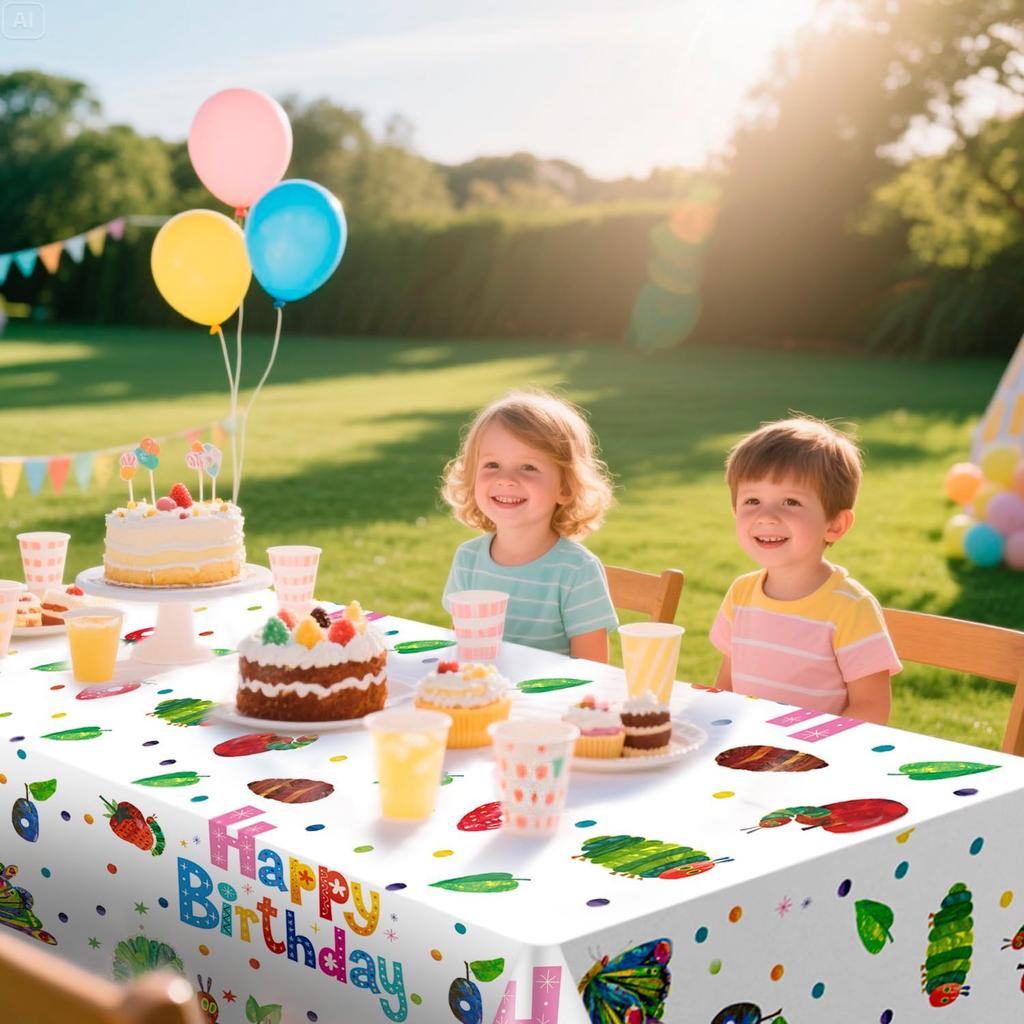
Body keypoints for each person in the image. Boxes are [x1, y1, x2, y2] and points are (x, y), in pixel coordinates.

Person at [710, 416, 900, 723]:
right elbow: (727, 687)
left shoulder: (850, 608)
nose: (766, 516)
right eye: (752, 500)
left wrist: (810, 749)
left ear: (835, 525)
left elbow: (871, 708)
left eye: (790, 502)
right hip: (747, 753)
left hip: (813, 760)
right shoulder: (741, 593)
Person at [441, 389, 618, 662]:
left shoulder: (577, 571)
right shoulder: (468, 559)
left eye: (528, 467)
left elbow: (593, 673)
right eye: (492, 464)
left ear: (566, 487)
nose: (506, 479)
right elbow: (463, 654)